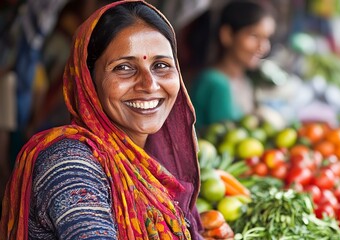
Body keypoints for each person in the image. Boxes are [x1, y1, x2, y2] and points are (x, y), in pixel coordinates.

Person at [0, 1, 234, 239]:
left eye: (161, 65)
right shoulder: (68, 164)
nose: (150, 84)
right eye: (124, 67)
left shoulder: (150, 163)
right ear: (88, 81)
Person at [189, 0, 276, 130]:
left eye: (266, 38)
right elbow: (227, 138)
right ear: (227, 35)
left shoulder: (243, 79)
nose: (263, 47)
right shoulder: (215, 83)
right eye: (254, 36)